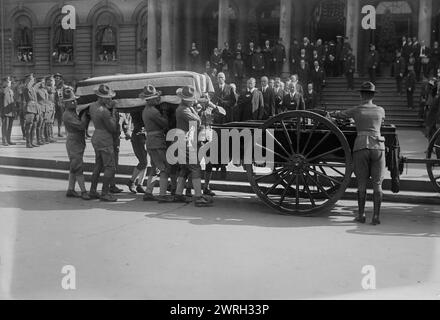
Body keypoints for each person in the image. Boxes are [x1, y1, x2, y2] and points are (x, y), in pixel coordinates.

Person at [331, 82, 385, 225]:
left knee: (361, 182)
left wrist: (332, 113)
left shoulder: (357, 110)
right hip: (378, 147)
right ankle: (376, 217)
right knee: (377, 183)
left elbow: (340, 115)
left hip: (360, 146)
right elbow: (381, 123)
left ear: (361, 95)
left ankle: (361, 215)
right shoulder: (381, 110)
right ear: (373, 95)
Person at [174, 85, 212, 207]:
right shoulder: (183, 110)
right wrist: (197, 112)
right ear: (185, 99)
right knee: (195, 167)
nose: (193, 101)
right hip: (184, 141)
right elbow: (198, 122)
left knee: (185, 168)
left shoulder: (187, 108)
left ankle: (178, 194)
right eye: (191, 99)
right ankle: (198, 196)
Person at [141, 85, 173, 202]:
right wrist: (164, 112)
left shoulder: (145, 110)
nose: (157, 99)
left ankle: (148, 191)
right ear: (150, 99)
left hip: (150, 141)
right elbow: (165, 123)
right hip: (157, 141)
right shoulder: (153, 111)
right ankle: (163, 195)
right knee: (165, 168)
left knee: (155, 167)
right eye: (155, 98)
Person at [88, 84, 119, 202]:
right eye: (108, 98)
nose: (110, 100)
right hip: (105, 138)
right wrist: (113, 112)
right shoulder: (105, 111)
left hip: (96, 137)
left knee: (98, 165)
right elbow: (112, 128)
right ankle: (105, 193)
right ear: (101, 97)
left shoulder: (92, 106)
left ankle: (92, 190)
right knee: (110, 167)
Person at [62, 87, 91, 200]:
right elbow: (81, 126)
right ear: (66, 103)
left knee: (74, 167)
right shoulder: (67, 115)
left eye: (75, 100)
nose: (75, 102)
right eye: (72, 101)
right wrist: (85, 116)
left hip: (77, 141)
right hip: (74, 142)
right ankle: (83, 191)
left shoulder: (72, 112)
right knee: (78, 167)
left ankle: (71, 189)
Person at [126, 109, 148, 194]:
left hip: (142, 136)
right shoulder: (137, 109)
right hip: (138, 137)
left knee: (145, 162)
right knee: (143, 162)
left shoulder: (141, 108)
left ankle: (140, 184)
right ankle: (131, 181)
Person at [22, 73, 40, 148]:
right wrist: (30, 82)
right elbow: (28, 87)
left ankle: (32, 142)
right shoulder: (26, 87)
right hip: (29, 109)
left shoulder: (32, 88)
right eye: (31, 79)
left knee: (34, 126)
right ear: (27, 80)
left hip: (35, 108)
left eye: (32, 79)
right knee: (29, 126)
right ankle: (28, 143)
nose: (32, 80)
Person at [1, 76, 17, 146]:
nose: (8, 83)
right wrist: (8, 86)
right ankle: (4, 140)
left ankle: (8, 140)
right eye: (7, 82)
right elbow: (4, 93)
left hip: (11, 111)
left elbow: (13, 100)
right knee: (5, 127)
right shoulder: (2, 89)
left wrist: (14, 110)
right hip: (4, 111)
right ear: (3, 82)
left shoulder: (10, 90)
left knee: (10, 127)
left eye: (9, 82)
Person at [54, 73, 66, 137]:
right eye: (56, 78)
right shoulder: (52, 85)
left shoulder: (63, 86)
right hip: (52, 104)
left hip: (60, 104)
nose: (57, 79)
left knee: (60, 119)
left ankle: (59, 132)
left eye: (58, 78)